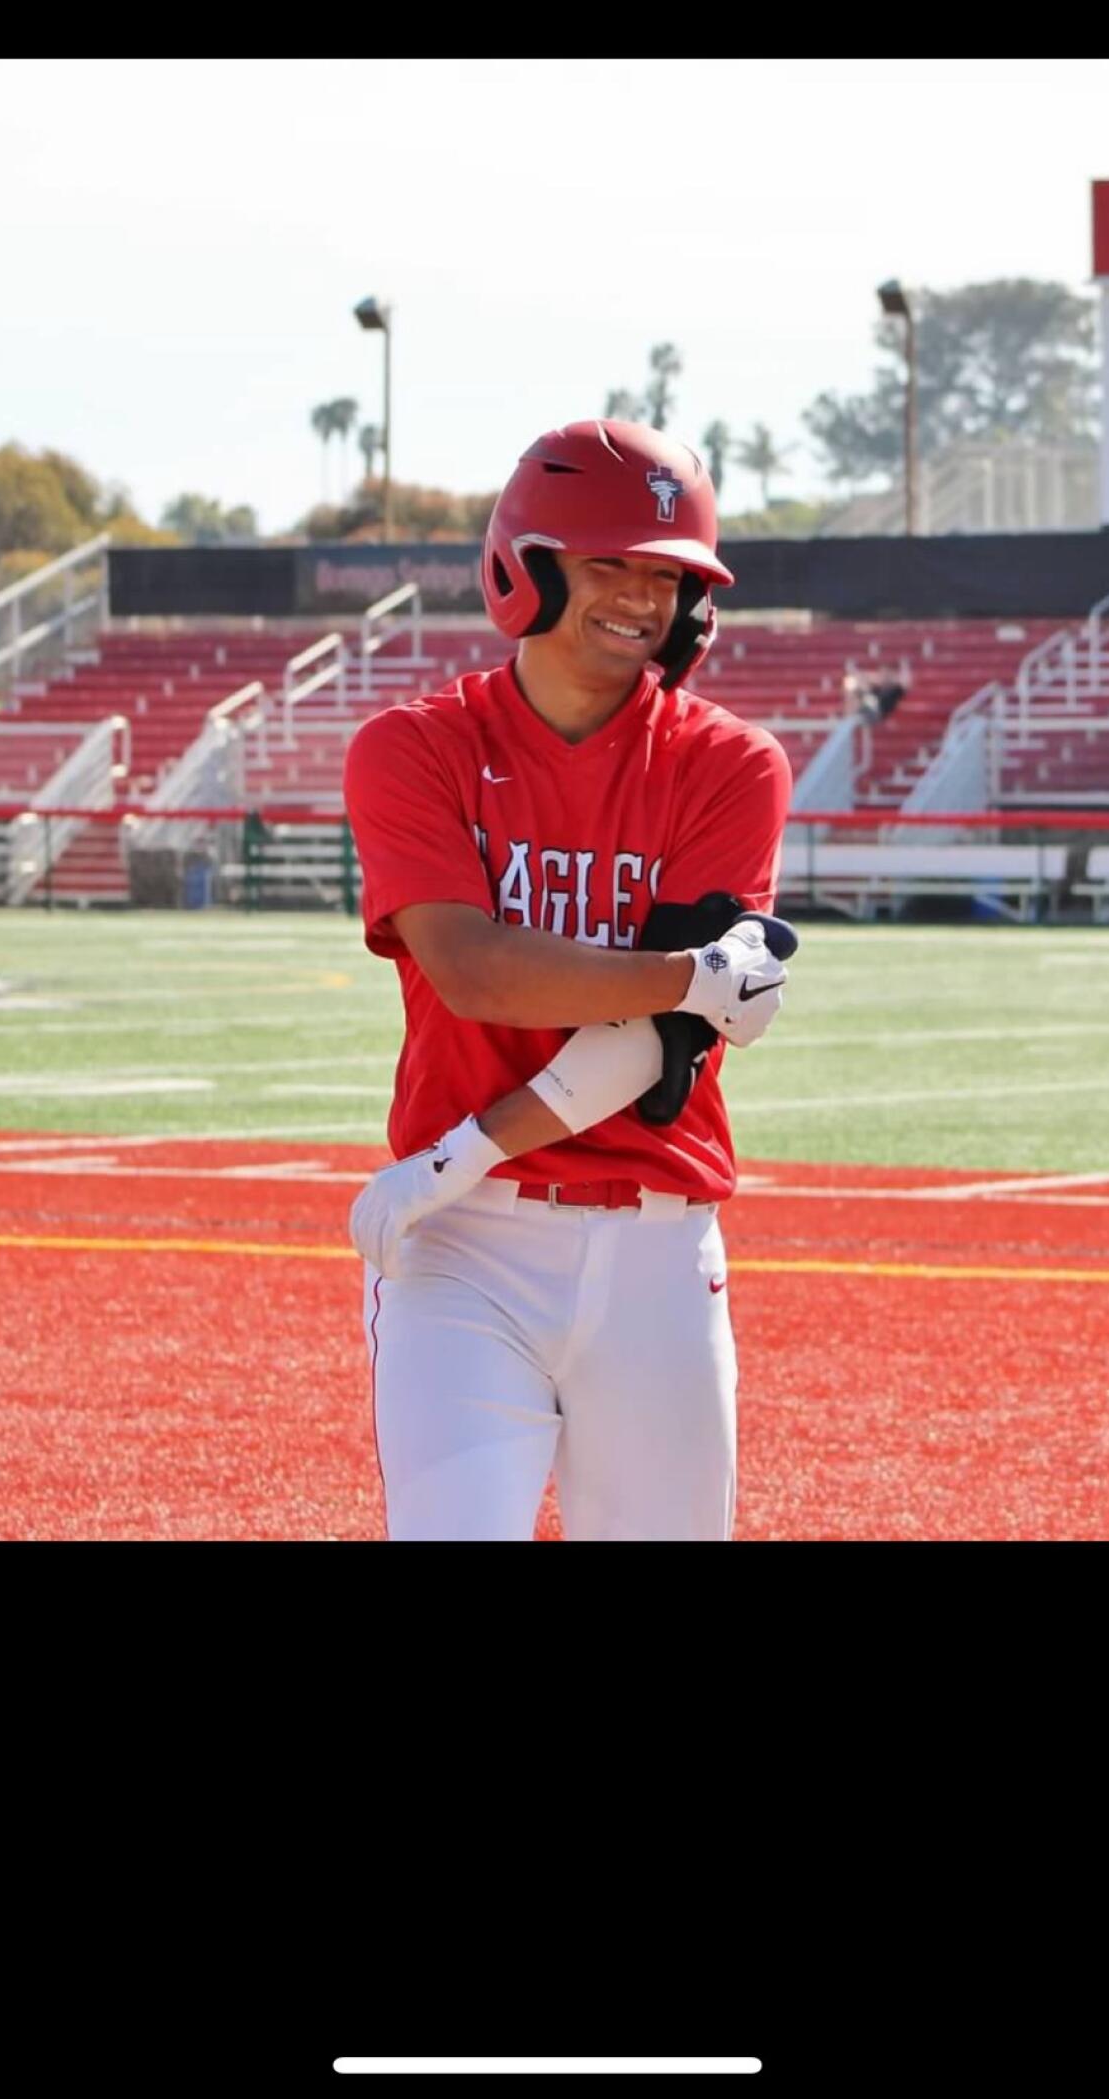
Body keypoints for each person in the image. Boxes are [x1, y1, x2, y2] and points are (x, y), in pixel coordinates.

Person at [342, 417, 793, 1540]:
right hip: (463, 1247)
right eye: (608, 564)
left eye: (667, 575)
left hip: (650, 1235)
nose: (641, 599)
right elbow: (476, 969)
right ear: (526, 567)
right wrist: (688, 973)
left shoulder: (731, 763)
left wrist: (457, 1153)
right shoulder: (414, 746)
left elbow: (664, 1042)